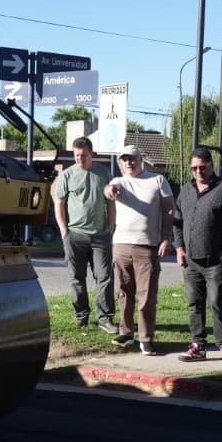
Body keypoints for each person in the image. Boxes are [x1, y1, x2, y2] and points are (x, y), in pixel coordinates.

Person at [172, 146, 222, 365]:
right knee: (194, 303)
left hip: (216, 259)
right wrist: (179, 248)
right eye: (194, 168)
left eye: (202, 167)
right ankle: (198, 345)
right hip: (190, 260)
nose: (198, 171)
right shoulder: (186, 190)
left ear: (211, 165)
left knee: (216, 301)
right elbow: (177, 222)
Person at [103, 145, 174, 354]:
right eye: (124, 159)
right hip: (121, 245)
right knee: (124, 293)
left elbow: (169, 209)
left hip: (148, 246)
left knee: (147, 296)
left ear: (141, 159)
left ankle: (146, 338)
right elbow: (109, 189)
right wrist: (109, 190)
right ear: (120, 163)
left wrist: (166, 238)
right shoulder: (119, 181)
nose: (129, 163)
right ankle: (126, 333)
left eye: (132, 158)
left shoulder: (157, 180)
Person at [53, 137, 117, 334]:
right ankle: (81, 316)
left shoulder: (103, 173)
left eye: (83, 155)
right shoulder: (67, 175)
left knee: (105, 277)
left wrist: (111, 226)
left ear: (92, 154)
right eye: (76, 155)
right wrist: (64, 230)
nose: (79, 159)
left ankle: (105, 319)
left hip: (100, 236)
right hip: (75, 235)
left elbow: (110, 202)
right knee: (76, 278)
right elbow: (59, 203)